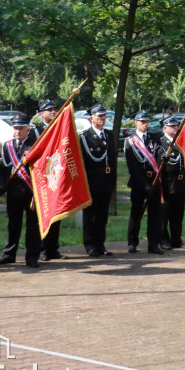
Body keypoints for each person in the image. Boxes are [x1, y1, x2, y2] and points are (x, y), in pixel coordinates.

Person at [0, 113, 40, 268]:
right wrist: (1, 185)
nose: (18, 131)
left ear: (28, 129)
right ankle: (9, 254)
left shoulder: (36, 145)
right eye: (15, 128)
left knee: (32, 226)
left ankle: (32, 256)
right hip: (13, 192)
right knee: (13, 224)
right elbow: (3, 169)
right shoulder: (8, 146)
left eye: (21, 128)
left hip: (31, 192)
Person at [125, 110, 166, 254]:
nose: (145, 124)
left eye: (147, 122)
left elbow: (159, 153)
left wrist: (163, 156)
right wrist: (145, 184)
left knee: (155, 215)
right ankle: (132, 242)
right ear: (136, 122)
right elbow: (133, 167)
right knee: (136, 213)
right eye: (142, 122)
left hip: (154, 181)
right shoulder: (130, 141)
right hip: (138, 183)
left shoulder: (154, 138)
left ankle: (153, 244)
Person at [79, 104, 117, 257]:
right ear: (91, 117)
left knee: (102, 216)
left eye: (103, 116)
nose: (101, 118)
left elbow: (112, 160)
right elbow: (83, 162)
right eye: (98, 116)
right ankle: (90, 245)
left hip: (106, 182)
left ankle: (100, 244)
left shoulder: (108, 135)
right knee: (90, 215)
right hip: (92, 182)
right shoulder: (85, 137)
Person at [31, 99, 64, 260]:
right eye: (48, 109)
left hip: (55, 176)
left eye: (54, 109)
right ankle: (42, 248)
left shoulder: (59, 130)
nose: (53, 111)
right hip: (41, 178)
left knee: (56, 213)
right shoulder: (35, 131)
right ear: (40, 113)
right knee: (43, 214)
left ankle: (53, 248)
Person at [159, 116, 185, 250]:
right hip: (167, 185)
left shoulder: (181, 142)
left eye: (176, 126)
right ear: (164, 128)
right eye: (172, 126)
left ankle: (176, 239)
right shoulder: (161, 143)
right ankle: (164, 240)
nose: (175, 128)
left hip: (180, 184)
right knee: (164, 215)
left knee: (178, 215)